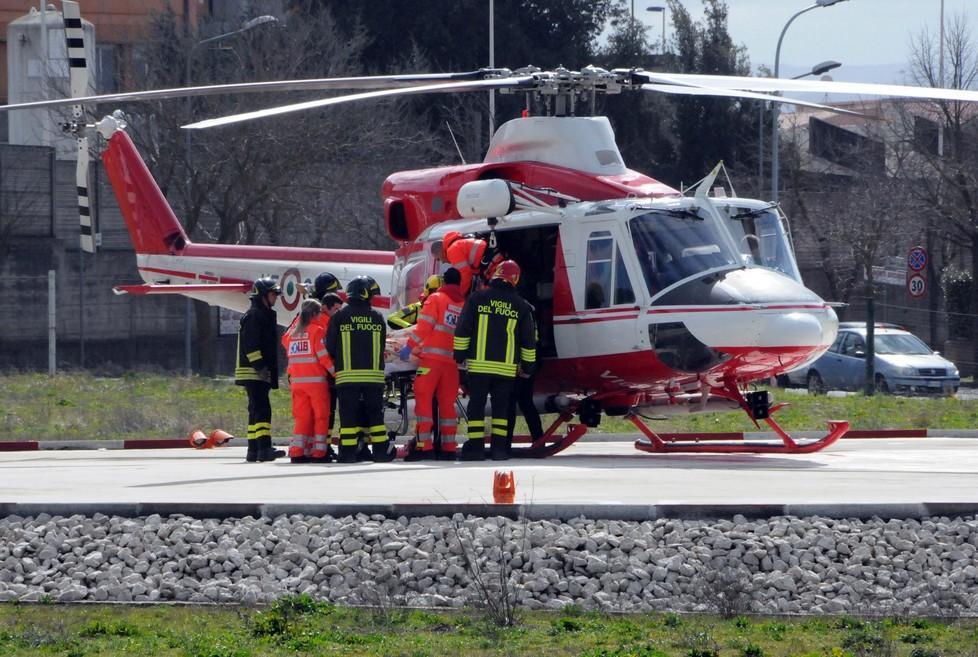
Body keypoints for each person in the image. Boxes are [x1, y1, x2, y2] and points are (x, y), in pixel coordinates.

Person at [453, 260, 537, 461]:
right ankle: (499, 450)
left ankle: (476, 449)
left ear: (496, 274)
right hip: (505, 370)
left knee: (476, 406)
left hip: (479, 367)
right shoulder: (521, 306)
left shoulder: (477, 298)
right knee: (501, 410)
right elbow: (528, 341)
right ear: (515, 279)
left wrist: (460, 355)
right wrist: (527, 368)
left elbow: (463, 329)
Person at [325, 276, 395, 463]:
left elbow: (330, 346)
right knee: (375, 417)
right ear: (364, 294)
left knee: (348, 418)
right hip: (373, 378)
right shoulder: (377, 317)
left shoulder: (339, 317)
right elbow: (382, 344)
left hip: (347, 377)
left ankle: (347, 454)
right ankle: (380, 452)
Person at [401, 267, 465, 461]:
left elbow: (423, 327)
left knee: (423, 401)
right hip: (452, 364)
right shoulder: (464, 305)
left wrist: (408, 347)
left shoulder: (436, 299)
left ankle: (424, 447)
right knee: (447, 406)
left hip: (431, 361)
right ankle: (448, 448)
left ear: (444, 282)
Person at [235, 277, 286, 463]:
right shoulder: (256, 315)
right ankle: (264, 448)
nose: (276, 298)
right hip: (255, 371)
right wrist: (260, 367)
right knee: (262, 409)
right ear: (263, 295)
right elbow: (251, 344)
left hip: (256, 371)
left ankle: (253, 449)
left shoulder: (260, 314)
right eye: (273, 294)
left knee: (255, 410)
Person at [282, 299, 334, 463]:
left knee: (302, 417)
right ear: (314, 314)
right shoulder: (317, 331)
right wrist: (336, 373)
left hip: (297, 383)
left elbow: (286, 347)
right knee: (321, 416)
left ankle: (297, 452)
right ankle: (319, 452)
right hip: (316, 382)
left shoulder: (292, 334)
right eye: (319, 313)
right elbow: (323, 357)